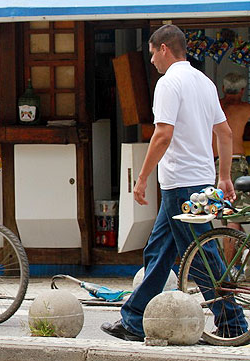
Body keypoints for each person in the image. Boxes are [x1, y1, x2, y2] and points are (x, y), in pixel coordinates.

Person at [101, 24, 248, 341]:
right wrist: (223, 176)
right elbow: (224, 134)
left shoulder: (169, 84)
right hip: (201, 181)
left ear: (164, 48)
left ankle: (234, 321)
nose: (151, 60)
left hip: (180, 183)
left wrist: (141, 179)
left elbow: (162, 135)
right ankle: (135, 318)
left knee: (200, 256)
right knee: (159, 251)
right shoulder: (204, 82)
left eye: (152, 53)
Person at [213, 73, 250, 241]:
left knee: (225, 215)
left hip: (213, 164)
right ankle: (230, 267)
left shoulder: (214, 106)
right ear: (242, 90)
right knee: (234, 218)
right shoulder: (246, 108)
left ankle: (235, 260)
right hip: (234, 163)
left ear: (223, 89)